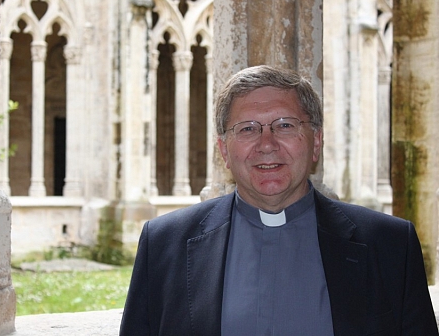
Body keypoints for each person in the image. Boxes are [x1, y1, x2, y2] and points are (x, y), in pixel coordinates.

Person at [119, 65, 438, 336]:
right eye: (247, 129)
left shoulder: (390, 245)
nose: (266, 144)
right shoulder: (164, 245)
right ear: (224, 151)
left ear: (316, 143)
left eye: (285, 125)